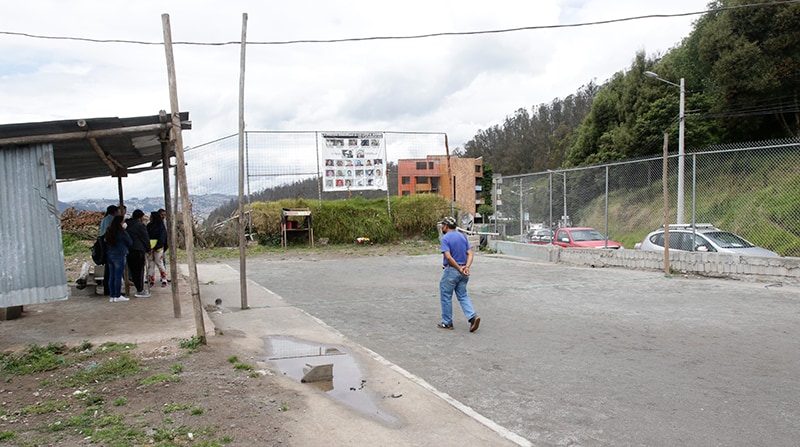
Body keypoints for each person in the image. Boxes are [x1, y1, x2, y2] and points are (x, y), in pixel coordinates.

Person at [437, 216, 481, 332]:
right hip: (463, 271)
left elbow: (448, 256)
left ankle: (447, 322)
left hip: (452, 270)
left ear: (446, 226)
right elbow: (470, 254)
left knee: (446, 295)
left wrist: (458, 268)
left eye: (443, 225)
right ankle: (472, 317)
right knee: (462, 295)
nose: (442, 227)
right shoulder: (462, 236)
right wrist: (466, 267)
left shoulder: (445, 238)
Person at [104, 215, 132, 303]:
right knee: (118, 276)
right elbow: (130, 242)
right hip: (119, 254)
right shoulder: (121, 232)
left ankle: (112, 295)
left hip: (110, 254)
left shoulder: (109, 231)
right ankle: (117, 295)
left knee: (111, 275)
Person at [126, 209, 151, 298]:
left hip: (128, 249)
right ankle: (140, 290)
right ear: (140, 217)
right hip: (138, 249)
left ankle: (138, 287)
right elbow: (145, 238)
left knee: (132, 270)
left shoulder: (127, 224)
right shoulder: (140, 225)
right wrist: (148, 249)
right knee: (139, 271)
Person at [98, 205, 120, 296]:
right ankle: (113, 290)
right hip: (111, 246)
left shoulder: (104, 220)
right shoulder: (113, 220)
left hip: (103, 245)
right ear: (115, 212)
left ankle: (107, 289)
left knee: (108, 270)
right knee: (114, 271)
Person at [146, 211, 168, 288]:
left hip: (157, 248)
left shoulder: (160, 226)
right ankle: (151, 279)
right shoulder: (149, 226)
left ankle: (164, 278)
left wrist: (155, 247)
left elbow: (162, 238)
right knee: (151, 264)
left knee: (159, 263)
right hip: (151, 248)